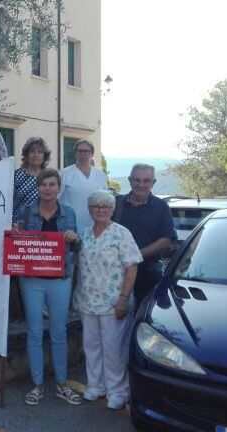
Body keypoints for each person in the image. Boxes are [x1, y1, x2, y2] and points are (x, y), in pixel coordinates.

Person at [13, 169, 82, 406]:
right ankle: (37, 385)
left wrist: (74, 239)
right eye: (44, 184)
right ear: (39, 187)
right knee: (34, 332)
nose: (47, 188)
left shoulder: (69, 212)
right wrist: (16, 234)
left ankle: (62, 385)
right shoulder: (28, 210)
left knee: (58, 332)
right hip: (31, 279)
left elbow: (75, 248)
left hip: (59, 278)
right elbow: (19, 241)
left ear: (58, 188)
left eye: (52, 184)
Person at [73, 190, 142, 410]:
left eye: (105, 206)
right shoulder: (83, 234)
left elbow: (132, 268)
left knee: (114, 349)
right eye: (96, 206)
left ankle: (118, 391)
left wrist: (124, 298)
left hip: (114, 302)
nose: (100, 210)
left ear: (112, 210)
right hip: (88, 300)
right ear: (90, 209)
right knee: (91, 346)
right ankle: (96, 385)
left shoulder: (121, 234)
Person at [111, 163, 176, 307]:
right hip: (116, 272)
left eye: (146, 180)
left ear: (154, 183)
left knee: (142, 319)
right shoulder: (116, 203)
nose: (141, 184)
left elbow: (166, 240)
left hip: (147, 274)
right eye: (137, 180)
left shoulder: (161, 207)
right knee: (114, 315)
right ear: (129, 180)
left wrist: (136, 256)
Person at [59, 139, 107, 230]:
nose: (83, 154)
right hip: (69, 225)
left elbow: (105, 202)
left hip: (94, 226)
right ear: (75, 153)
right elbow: (56, 199)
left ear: (91, 154)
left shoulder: (101, 175)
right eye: (80, 151)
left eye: (86, 151)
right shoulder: (65, 174)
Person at [13, 137, 52, 221]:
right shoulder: (16, 176)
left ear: (45, 155)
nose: (36, 155)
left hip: (44, 225)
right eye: (32, 151)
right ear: (27, 155)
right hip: (19, 226)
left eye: (40, 152)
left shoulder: (50, 177)